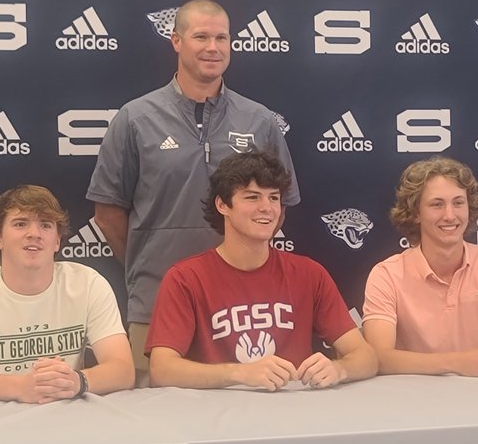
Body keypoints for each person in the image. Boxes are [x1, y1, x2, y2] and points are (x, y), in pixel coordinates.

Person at [86, 0, 300, 380]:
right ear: (176, 41)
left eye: (222, 37)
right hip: (156, 303)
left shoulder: (260, 120)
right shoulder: (135, 118)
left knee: (251, 413)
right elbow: (108, 213)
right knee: (156, 420)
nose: (213, 47)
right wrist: (148, 259)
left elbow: (277, 205)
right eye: (201, 36)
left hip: (244, 309)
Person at [147, 151, 376, 391]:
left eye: (274, 198)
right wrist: (239, 372)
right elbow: (162, 370)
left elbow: (366, 357)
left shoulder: (309, 273)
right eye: (252, 197)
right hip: (216, 417)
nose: (267, 208)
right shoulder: (186, 278)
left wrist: (338, 369)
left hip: (296, 414)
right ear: (222, 205)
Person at [0, 185, 134, 402]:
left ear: (57, 241)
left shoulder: (88, 283)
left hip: (66, 415)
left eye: (46, 225)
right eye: (20, 224)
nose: (34, 234)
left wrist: (78, 381)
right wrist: (21, 387)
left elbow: (123, 369)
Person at [362, 157, 478, 376]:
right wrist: (456, 363)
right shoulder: (387, 275)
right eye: (437, 204)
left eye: (458, 203)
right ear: (416, 213)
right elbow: (379, 358)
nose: (450, 215)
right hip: (412, 400)